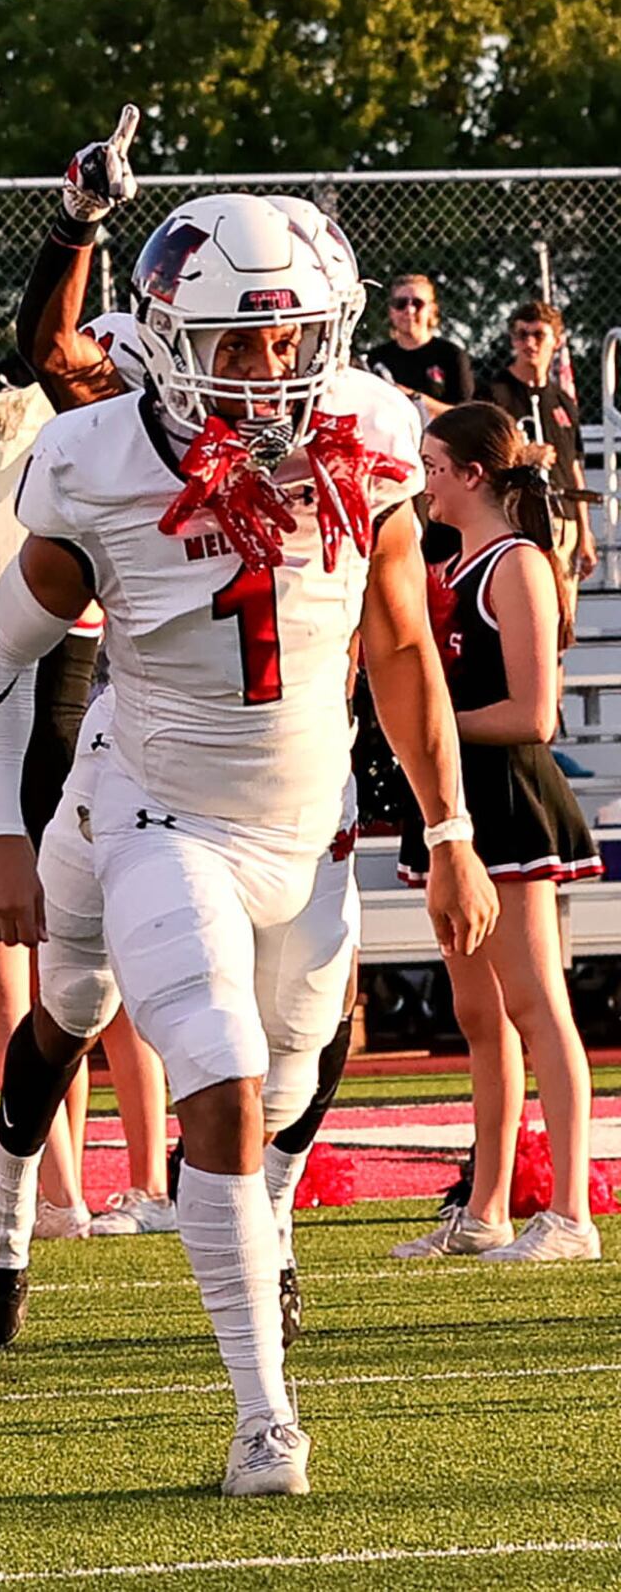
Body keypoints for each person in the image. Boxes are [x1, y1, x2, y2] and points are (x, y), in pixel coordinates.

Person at [0, 185, 492, 1496]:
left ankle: (262, 1225)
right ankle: (262, 1414)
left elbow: (405, 646)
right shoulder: (98, 456)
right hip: (151, 810)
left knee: (304, 1072)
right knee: (195, 1067)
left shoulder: (369, 432)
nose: (266, 370)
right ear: (167, 336)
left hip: (303, 824)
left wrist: (451, 828)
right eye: (237, 343)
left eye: (288, 338)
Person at [388, 404, 600, 1263]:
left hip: (507, 800)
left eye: (434, 464)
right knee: (480, 1014)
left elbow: (534, 714)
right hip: (456, 809)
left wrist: (427, 721)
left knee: (536, 1003)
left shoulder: (516, 565)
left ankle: (573, 1213)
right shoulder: (451, 559)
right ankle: (486, 1209)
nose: (424, 477)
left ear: (474, 474)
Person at [477, 302, 598, 582]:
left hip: (562, 518)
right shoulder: (494, 393)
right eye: (521, 335)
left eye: (538, 335)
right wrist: (522, 455)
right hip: (517, 519)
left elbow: (573, 468)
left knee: (564, 615)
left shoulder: (563, 401)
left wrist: (585, 533)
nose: (529, 343)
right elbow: (480, 456)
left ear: (556, 341)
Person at [365, 274, 471, 416]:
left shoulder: (451, 355)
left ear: (432, 310)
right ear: (391, 311)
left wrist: (414, 398)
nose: (409, 310)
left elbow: (465, 414)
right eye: (400, 304)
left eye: (417, 303)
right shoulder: (376, 358)